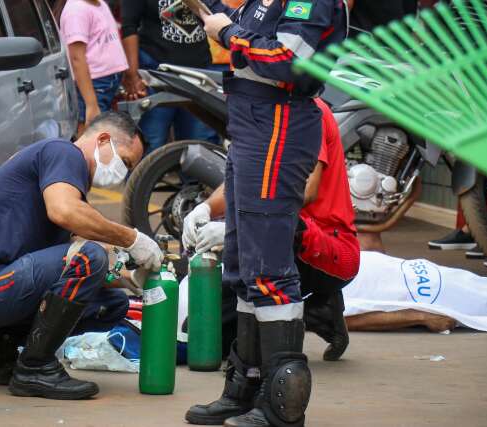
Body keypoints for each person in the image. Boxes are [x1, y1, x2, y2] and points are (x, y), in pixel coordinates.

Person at [183, 0, 348, 420]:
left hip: (279, 122)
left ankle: (281, 407)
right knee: (241, 266)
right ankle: (246, 386)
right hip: (251, 122)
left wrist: (225, 33)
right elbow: (247, 29)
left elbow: (287, 59)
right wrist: (208, 11)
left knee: (269, 269)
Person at [0, 112, 164, 400]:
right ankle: (35, 368)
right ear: (102, 140)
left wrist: (127, 279)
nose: (122, 174)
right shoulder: (63, 153)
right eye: (124, 162)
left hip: (3, 287)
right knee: (88, 256)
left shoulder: (66, 179)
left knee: (112, 305)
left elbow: (66, 270)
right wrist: (132, 238)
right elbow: (64, 213)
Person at [183, 96, 360, 361]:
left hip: (324, 248)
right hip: (271, 238)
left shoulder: (309, 111)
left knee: (244, 345)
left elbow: (308, 189)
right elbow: (239, 178)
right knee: (203, 334)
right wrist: (206, 208)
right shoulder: (259, 110)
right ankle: (316, 310)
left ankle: (311, 312)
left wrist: (240, 228)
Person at [120, 0, 219, 152]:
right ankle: (148, 176)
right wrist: (133, 74)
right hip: (157, 73)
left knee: (198, 146)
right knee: (151, 142)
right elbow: (129, 26)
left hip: (199, 74)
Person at [59, 0, 128, 132]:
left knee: (105, 132)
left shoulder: (100, 4)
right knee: (92, 133)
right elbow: (77, 58)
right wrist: (91, 104)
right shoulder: (76, 10)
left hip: (109, 82)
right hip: (93, 84)